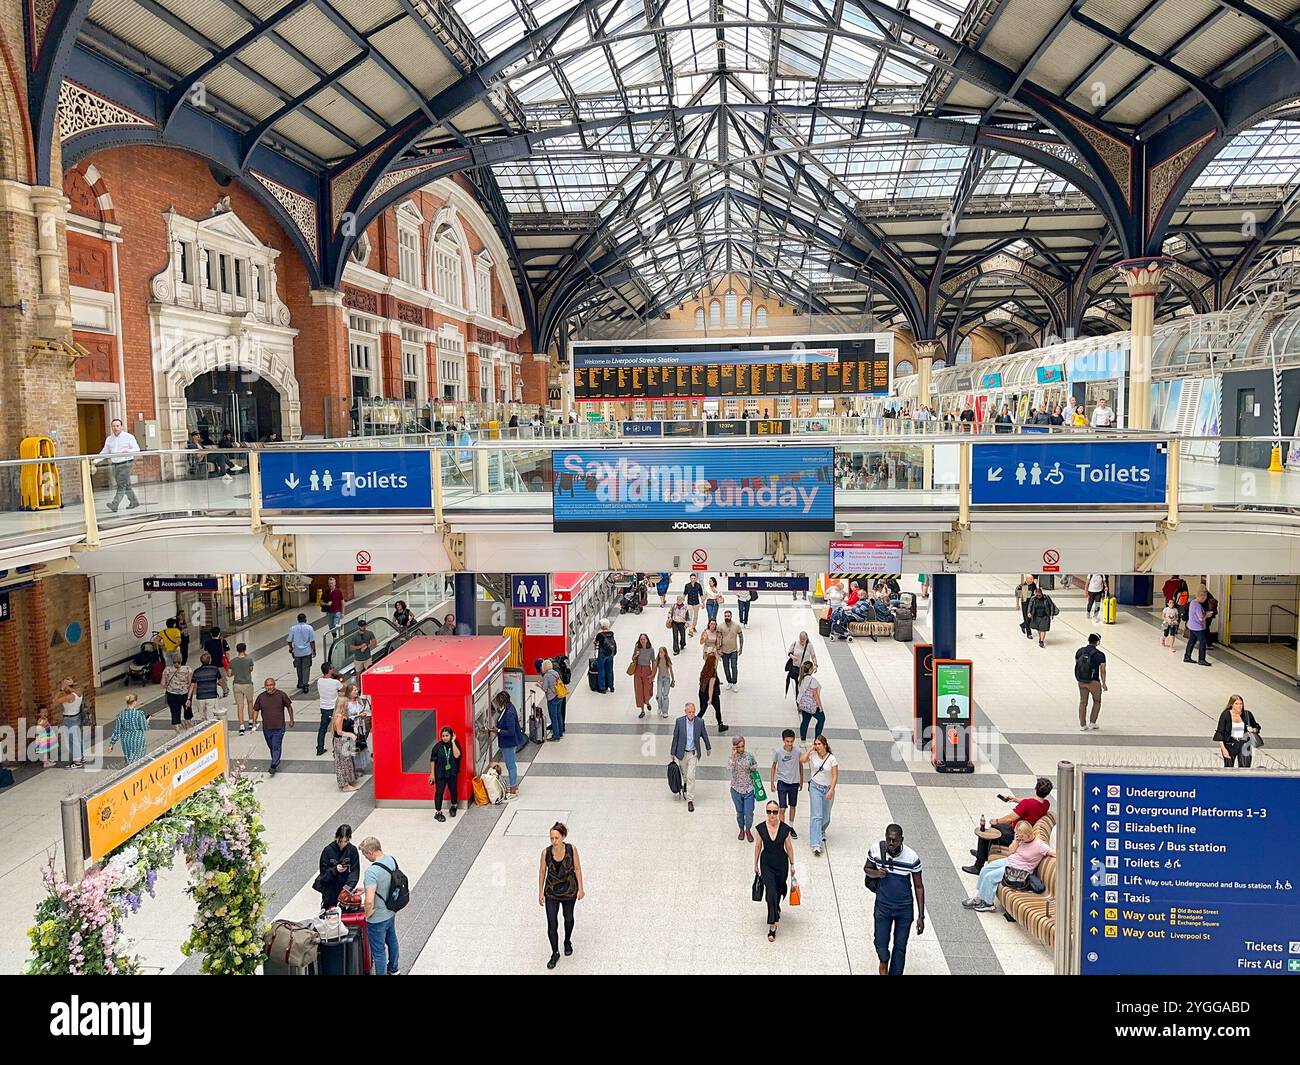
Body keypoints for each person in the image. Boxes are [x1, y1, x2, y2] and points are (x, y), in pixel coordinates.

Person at [864, 824, 925, 976]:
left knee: (900, 947)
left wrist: (921, 916)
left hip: (904, 909)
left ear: (901, 840)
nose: (891, 843)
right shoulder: (875, 850)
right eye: (889, 839)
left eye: (895, 840)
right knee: (881, 943)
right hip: (883, 907)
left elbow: (919, 886)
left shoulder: (912, 857)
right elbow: (867, 868)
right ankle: (884, 960)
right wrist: (877, 873)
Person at [962, 777, 1053, 874]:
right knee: (994, 829)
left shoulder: (1026, 804)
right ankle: (983, 854)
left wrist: (996, 821)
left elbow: (1010, 818)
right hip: (1024, 833)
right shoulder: (1046, 804)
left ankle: (978, 866)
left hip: (1014, 835)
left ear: (1035, 789)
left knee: (987, 833)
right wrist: (1015, 800)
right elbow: (1033, 802)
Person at [963, 820, 1054, 912]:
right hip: (1010, 861)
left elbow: (1055, 853)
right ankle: (979, 896)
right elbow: (1011, 851)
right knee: (985, 869)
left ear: (1029, 834)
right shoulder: (1020, 839)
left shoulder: (1040, 845)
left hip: (1019, 870)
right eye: (1018, 835)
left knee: (990, 877)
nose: (1020, 838)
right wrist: (1016, 841)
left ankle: (988, 903)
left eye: (1021, 836)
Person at [538, 822, 584, 970]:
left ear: (563, 837)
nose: (554, 841)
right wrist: (540, 892)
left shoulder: (571, 849)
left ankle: (567, 941)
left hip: (569, 889)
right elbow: (542, 872)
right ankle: (555, 952)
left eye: (557, 838)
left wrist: (581, 889)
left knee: (568, 917)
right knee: (552, 923)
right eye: (552, 838)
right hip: (551, 891)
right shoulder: (546, 853)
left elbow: (577, 868)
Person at [753, 800, 796, 942]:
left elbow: (789, 847)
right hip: (766, 864)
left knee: (778, 891)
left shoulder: (784, 829)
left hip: (781, 864)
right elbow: (758, 846)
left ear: (778, 812)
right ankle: (772, 926)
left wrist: (792, 864)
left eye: (775, 812)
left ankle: (776, 908)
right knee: (770, 892)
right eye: (769, 811)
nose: (772, 815)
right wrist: (755, 864)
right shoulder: (760, 828)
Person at [360, 837, 401, 976]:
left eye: (366, 854)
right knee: (392, 940)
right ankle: (394, 969)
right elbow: (387, 883)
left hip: (377, 917)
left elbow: (369, 900)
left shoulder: (371, 872)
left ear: (371, 851)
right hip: (391, 910)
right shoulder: (391, 860)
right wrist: (365, 888)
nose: (366, 857)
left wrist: (367, 914)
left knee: (378, 951)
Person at [801, 735, 838, 857]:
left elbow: (834, 776)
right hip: (815, 787)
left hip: (827, 788)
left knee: (826, 815)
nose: (817, 746)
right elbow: (802, 760)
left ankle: (822, 830)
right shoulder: (812, 755)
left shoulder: (832, 758)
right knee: (816, 815)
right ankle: (816, 843)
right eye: (815, 744)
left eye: (819, 744)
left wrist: (831, 790)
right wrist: (810, 749)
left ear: (825, 745)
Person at [670, 702, 711, 812]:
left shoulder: (700, 722)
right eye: (689, 712)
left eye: (693, 712)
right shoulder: (679, 722)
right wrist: (672, 752)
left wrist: (708, 747)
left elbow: (704, 735)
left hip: (693, 753)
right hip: (682, 753)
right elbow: (676, 737)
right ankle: (685, 784)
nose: (692, 714)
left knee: (691, 775)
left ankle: (690, 800)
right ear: (685, 712)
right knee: (684, 773)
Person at [98, 418, 140, 512]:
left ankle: (115, 504)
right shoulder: (109, 439)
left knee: (121, 485)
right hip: (115, 464)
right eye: (113, 426)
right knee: (126, 485)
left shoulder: (129, 437)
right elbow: (105, 452)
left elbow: (137, 449)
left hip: (126, 463)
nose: (115, 428)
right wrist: (95, 461)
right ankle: (134, 501)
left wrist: (128, 451)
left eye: (117, 426)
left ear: (121, 426)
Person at [253, 677, 294, 774]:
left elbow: (289, 707)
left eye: (271, 685)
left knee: (276, 745)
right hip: (267, 727)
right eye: (267, 685)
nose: (269, 687)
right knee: (271, 745)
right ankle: (275, 759)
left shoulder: (281, 695)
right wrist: (254, 721)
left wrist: (291, 719)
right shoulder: (261, 697)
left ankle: (274, 764)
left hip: (279, 726)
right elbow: (255, 710)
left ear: (274, 685)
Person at [314, 825, 360, 911]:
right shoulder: (328, 851)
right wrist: (335, 870)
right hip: (330, 889)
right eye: (340, 841)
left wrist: (348, 888)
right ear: (336, 838)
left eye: (345, 841)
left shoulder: (352, 850)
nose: (343, 844)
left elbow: (355, 871)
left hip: (345, 888)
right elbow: (323, 873)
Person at [489, 690, 523, 800]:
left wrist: (498, 731)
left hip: (509, 743)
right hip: (507, 742)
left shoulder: (509, 713)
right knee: (511, 765)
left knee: (510, 765)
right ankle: (513, 786)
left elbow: (511, 732)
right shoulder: (508, 708)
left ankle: (513, 789)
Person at [771, 729, 803, 839]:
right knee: (782, 808)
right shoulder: (778, 752)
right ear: (783, 740)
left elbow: (801, 765)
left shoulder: (798, 752)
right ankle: (782, 828)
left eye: (791, 741)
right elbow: (773, 766)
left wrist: (801, 780)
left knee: (793, 805)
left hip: (794, 782)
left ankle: (791, 826)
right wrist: (772, 782)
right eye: (787, 741)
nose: (789, 743)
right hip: (782, 782)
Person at [1214, 694, 1262, 768]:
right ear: (1231, 704)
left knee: (1245, 768)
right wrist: (1223, 749)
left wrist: (1253, 729)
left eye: (1241, 704)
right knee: (1228, 768)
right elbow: (1220, 733)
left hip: (1244, 744)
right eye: (1236, 704)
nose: (1239, 706)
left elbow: (1257, 727)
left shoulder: (1247, 714)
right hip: (1230, 744)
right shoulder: (1226, 715)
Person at [1074, 632, 1108, 731]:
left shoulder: (1080, 651)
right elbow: (1103, 670)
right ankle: (1092, 722)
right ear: (1097, 642)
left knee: (1083, 702)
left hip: (1081, 680)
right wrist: (1104, 683)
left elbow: (1077, 663)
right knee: (1097, 701)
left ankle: (1083, 724)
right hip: (1094, 682)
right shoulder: (1100, 655)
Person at [728, 735, 759, 841]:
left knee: (749, 812)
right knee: (740, 812)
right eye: (739, 747)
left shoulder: (749, 755)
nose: (741, 749)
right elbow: (729, 768)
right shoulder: (733, 757)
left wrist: (753, 768)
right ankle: (741, 829)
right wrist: (732, 756)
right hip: (736, 789)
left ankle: (748, 829)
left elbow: (755, 764)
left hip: (749, 789)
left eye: (742, 746)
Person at [429, 726, 462, 822]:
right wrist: (432, 774)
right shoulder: (437, 747)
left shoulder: (455, 744)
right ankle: (438, 812)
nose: (445, 737)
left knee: (453, 790)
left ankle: (454, 806)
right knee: (439, 792)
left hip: (452, 772)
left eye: (447, 735)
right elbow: (432, 761)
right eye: (443, 736)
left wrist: (453, 742)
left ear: (451, 735)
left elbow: (457, 755)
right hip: (440, 774)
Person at [106, 694, 148, 765]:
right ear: (134, 702)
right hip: (137, 738)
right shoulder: (139, 714)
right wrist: (147, 720)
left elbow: (117, 731)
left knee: (129, 760)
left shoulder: (120, 715)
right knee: (139, 760)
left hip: (126, 740)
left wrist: (111, 744)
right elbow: (145, 727)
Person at [187, 652, 227, 722]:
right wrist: (218, 683)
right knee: (211, 717)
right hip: (212, 696)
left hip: (200, 697)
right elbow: (220, 681)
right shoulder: (215, 669)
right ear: (210, 660)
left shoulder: (197, 671)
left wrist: (188, 698)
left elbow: (192, 685)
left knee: (202, 717)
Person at [314, 662, 343, 756]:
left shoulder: (319, 681)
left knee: (322, 728)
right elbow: (343, 688)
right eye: (332, 668)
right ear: (329, 670)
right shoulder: (335, 682)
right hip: (334, 708)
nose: (333, 669)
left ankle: (320, 748)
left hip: (324, 708)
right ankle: (336, 750)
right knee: (336, 729)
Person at [330, 699, 358, 793]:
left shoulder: (343, 715)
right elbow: (339, 732)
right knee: (343, 762)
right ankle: (345, 785)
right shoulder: (339, 716)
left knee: (346, 761)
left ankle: (347, 782)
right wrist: (351, 735)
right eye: (346, 703)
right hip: (341, 742)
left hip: (345, 742)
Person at [286, 612, 316, 693]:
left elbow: (289, 640)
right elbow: (312, 641)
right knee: (306, 668)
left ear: (298, 620)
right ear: (305, 619)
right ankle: (305, 684)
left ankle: (300, 682)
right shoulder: (309, 628)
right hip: (307, 652)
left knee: (298, 668)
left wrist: (291, 647)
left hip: (297, 652)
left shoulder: (293, 628)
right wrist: (314, 650)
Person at [230, 642, 256, 735]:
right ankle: (251, 721)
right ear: (245, 649)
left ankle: (241, 725)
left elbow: (230, 674)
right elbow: (251, 669)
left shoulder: (232, 661)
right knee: (250, 702)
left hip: (237, 685)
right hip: (247, 684)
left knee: (240, 705)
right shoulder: (249, 660)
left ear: (237, 650)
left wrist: (236, 671)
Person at [161, 658, 193, 733]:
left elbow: (162, 684)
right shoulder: (188, 669)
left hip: (172, 694)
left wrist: (170, 686)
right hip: (185, 694)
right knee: (187, 709)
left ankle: (178, 730)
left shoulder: (167, 670)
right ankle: (189, 725)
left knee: (175, 712)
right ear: (181, 661)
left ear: (172, 662)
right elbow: (190, 682)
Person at [795, 660, 824, 743]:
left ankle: (803, 741)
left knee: (805, 721)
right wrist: (820, 706)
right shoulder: (812, 681)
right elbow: (815, 695)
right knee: (821, 719)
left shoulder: (801, 678)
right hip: (812, 705)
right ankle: (817, 741)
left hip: (803, 704)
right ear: (810, 670)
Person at [698, 652, 726, 732]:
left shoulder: (704, 670)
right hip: (712, 695)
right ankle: (720, 725)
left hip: (702, 693)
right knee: (717, 710)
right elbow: (711, 687)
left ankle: (694, 724)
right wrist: (710, 699)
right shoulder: (712, 672)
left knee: (702, 710)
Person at [785, 632, 817, 699]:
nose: (802, 641)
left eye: (803, 639)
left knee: (805, 686)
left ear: (806, 638)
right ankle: (798, 702)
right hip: (796, 668)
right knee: (798, 685)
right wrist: (793, 657)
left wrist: (815, 665)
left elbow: (813, 656)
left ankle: (804, 700)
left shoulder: (809, 646)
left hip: (805, 670)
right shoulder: (795, 644)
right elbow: (789, 652)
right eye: (801, 639)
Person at [631, 633, 655, 718]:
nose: (642, 641)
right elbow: (633, 658)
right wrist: (636, 655)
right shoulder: (637, 648)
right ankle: (642, 710)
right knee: (639, 690)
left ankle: (647, 702)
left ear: (647, 640)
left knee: (647, 689)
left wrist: (653, 674)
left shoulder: (651, 650)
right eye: (641, 639)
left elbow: (653, 661)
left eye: (644, 639)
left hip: (647, 670)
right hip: (638, 670)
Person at [1184, 589, 1211, 666]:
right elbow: (1201, 618)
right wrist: (1207, 615)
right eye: (1205, 598)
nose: (1205, 600)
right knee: (1203, 642)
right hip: (1198, 627)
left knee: (1191, 641)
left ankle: (1187, 656)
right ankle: (1201, 659)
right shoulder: (1198, 606)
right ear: (1202, 597)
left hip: (1191, 625)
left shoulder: (1192, 602)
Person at [718, 609, 744, 689]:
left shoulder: (736, 626)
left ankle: (734, 682)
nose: (727, 617)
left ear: (731, 616)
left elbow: (741, 637)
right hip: (724, 651)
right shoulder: (720, 626)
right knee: (726, 667)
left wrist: (741, 647)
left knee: (734, 666)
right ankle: (729, 681)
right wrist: (719, 649)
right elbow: (718, 638)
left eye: (728, 616)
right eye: (725, 616)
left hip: (733, 650)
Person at [540, 658, 564, 740]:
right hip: (559, 696)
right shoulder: (556, 673)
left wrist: (539, 685)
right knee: (558, 714)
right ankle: (560, 732)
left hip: (552, 698)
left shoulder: (547, 675)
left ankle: (556, 735)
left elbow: (545, 688)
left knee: (553, 717)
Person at [594, 619, 617, 693]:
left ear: (601, 626)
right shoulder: (611, 633)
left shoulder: (600, 635)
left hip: (602, 654)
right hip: (610, 654)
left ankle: (602, 688)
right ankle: (611, 686)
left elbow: (596, 643)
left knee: (601, 670)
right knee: (610, 670)